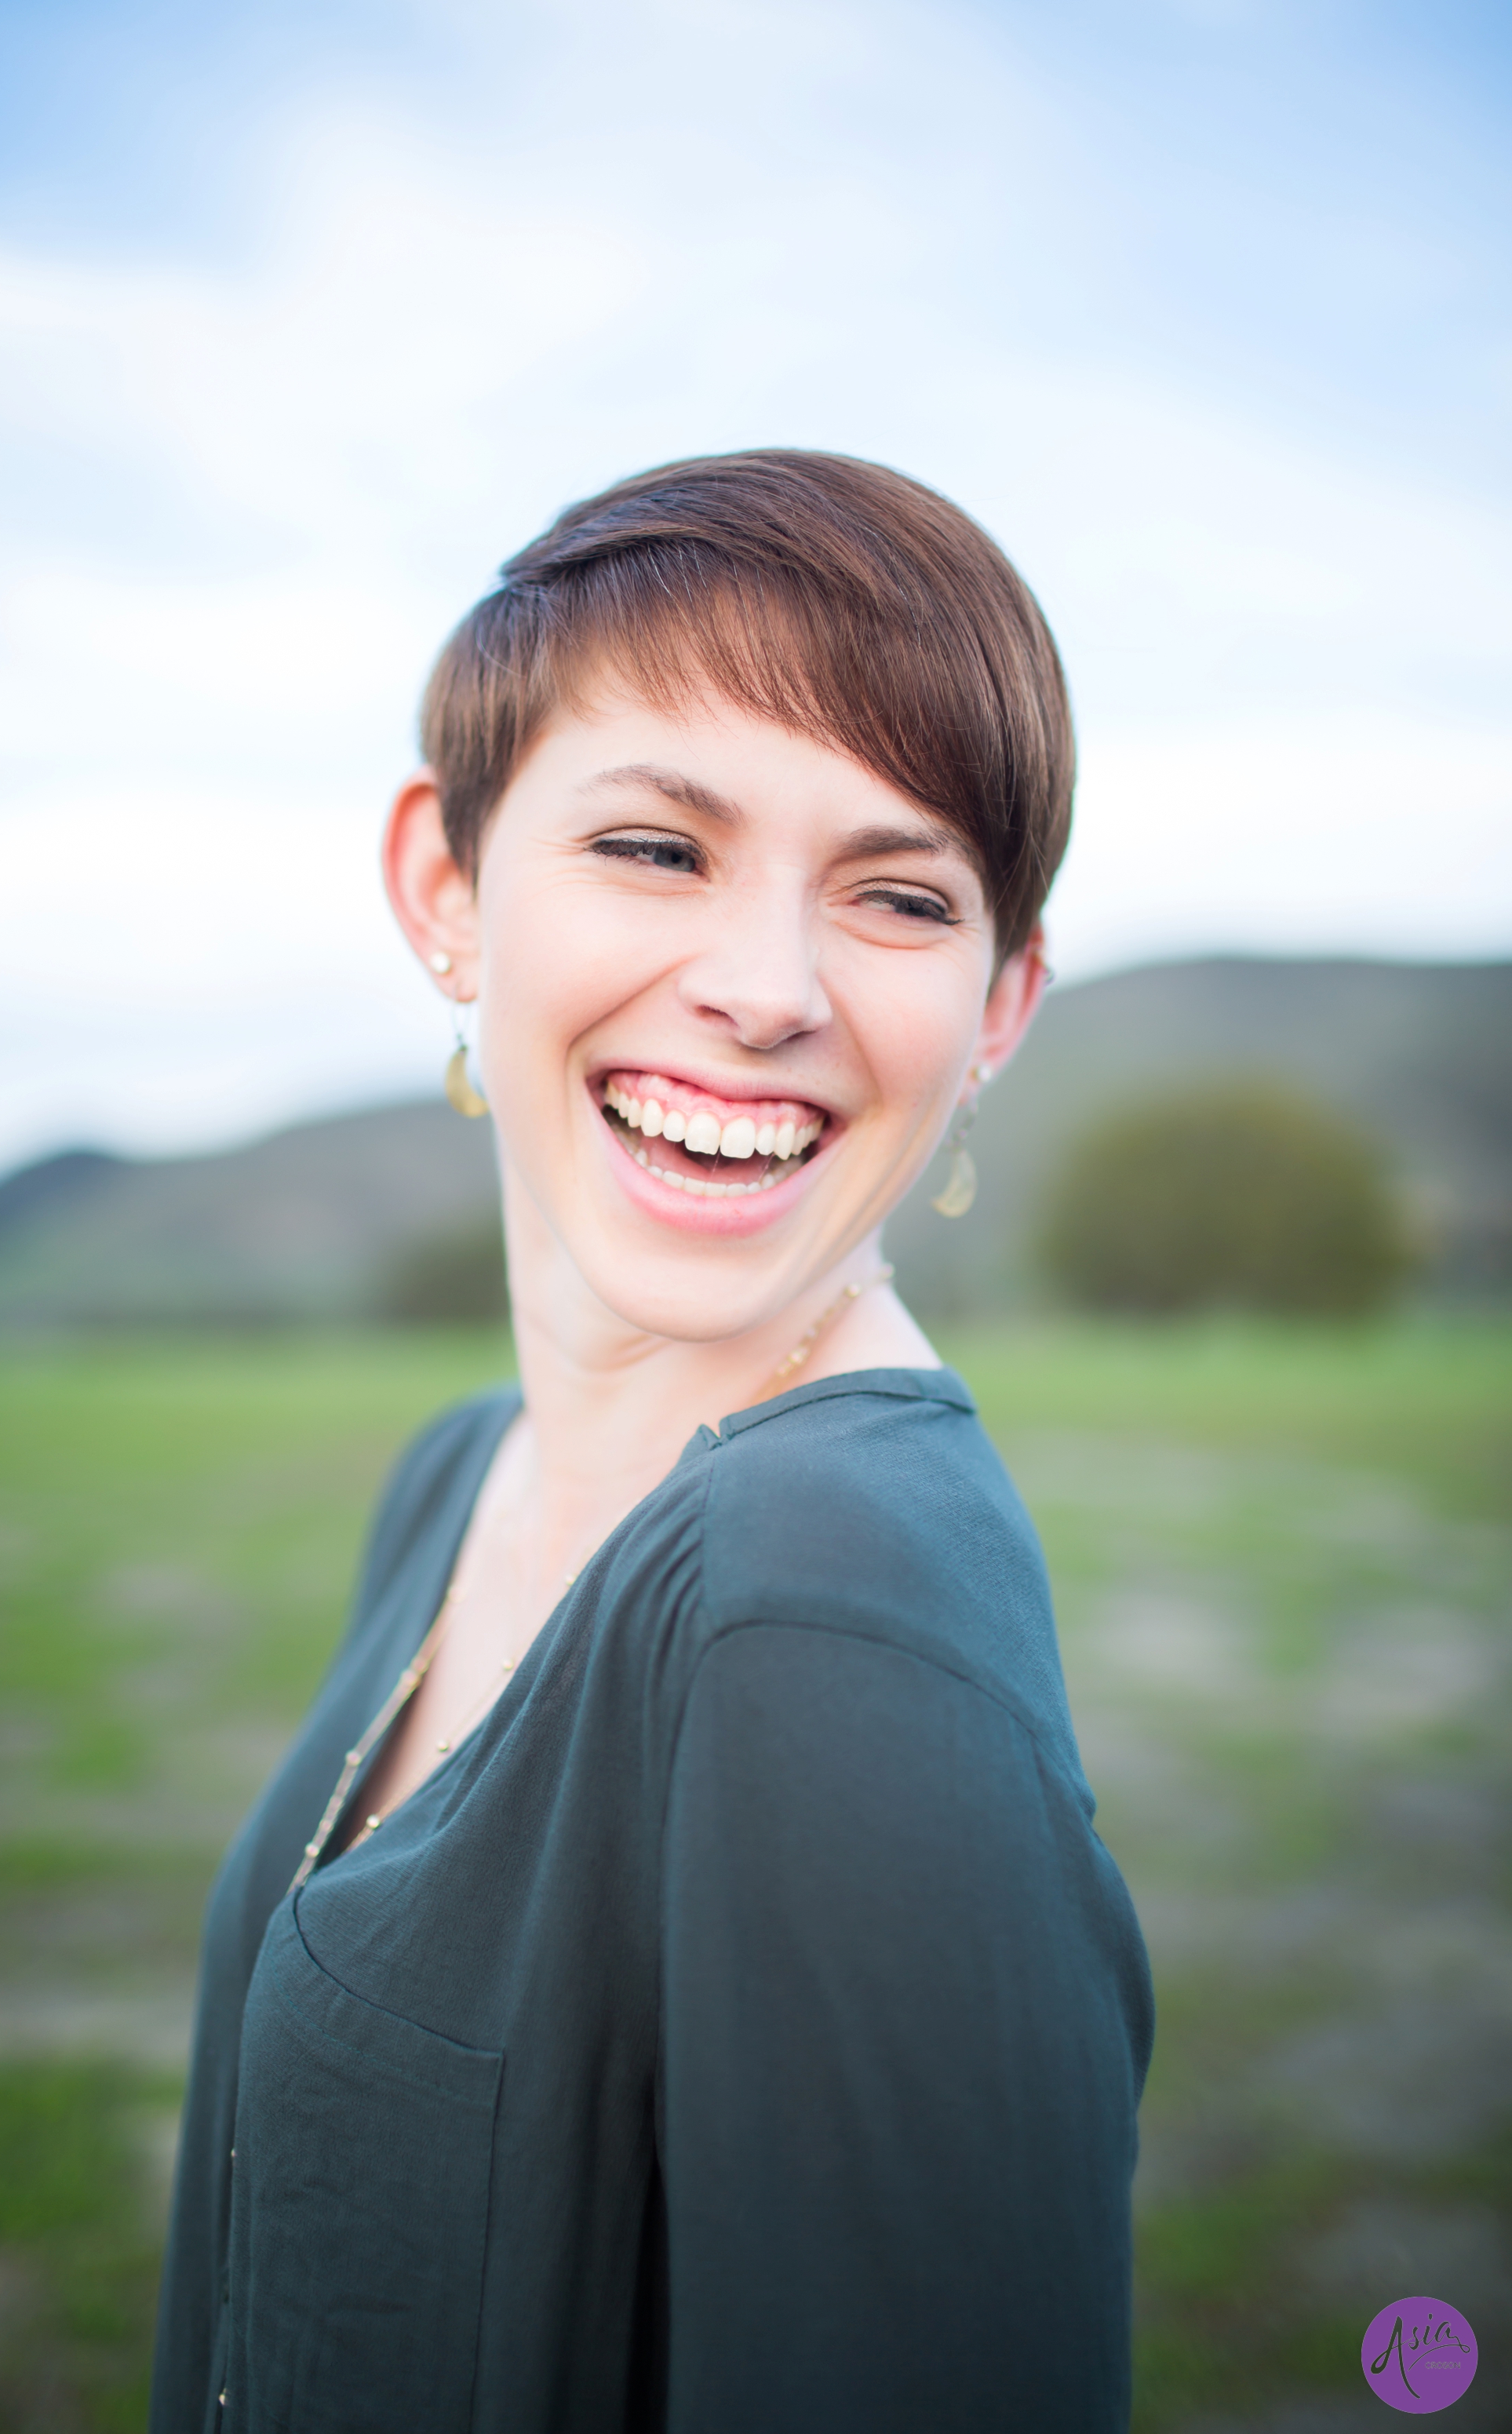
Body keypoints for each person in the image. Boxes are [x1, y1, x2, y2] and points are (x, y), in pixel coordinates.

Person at [150, 450, 1153, 2434]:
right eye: (656, 848)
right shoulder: (459, 1474)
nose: (766, 992)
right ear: (445, 888)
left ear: (999, 1005)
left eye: (893, 894)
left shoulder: (822, 1611)